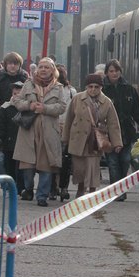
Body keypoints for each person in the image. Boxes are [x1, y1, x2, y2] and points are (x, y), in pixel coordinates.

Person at [12, 57, 66, 207]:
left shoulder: (58, 87)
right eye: (41, 67)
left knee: (46, 165)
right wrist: (29, 105)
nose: (43, 69)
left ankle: (42, 196)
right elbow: (16, 101)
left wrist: (46, 109)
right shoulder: (28, 84)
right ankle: (28, 189)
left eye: (46, 67)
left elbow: (62, 107)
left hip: (48, 131)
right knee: (28, 165)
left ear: (52, 70)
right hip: (29, 130)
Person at [62, 73, 122, 199]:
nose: (93, 90)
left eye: (96, 87)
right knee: (79, 168)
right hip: (77, 139)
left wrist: (117, 143)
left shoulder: (107, 102)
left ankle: (92, 192)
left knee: (93, 167)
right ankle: (80, 188)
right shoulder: (77, 99)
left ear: (101, 88)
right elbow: (69, 120)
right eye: (90, 86)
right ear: (86, 87)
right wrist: (65, 138)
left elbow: (113, 124)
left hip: (95, 140)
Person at [102, 59, 139, 202]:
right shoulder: (102, 90)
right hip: (109, 133)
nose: (114, 73)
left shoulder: (129, 89)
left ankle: (121, 188)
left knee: (124, 161)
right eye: (111, 71)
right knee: (112, 162)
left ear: (120, 72)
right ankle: (115, 191)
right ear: (107, 73)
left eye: (117, 71)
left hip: (127, 132)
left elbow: (138, 113)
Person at [0, 81, 25, 194]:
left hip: (23, 144)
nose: (16, 96)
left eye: (19, 94)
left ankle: (21, 188)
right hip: (9, 143)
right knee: (9, 166)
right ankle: (11, 188)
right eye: (14, 93)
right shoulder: (5, 107)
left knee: (22, 169)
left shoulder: (27, 107)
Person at [51, 65, 77, 202]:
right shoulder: (72, 91)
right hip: (65, 128)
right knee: (64, 161)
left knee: (56, 161)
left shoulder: (71, 92)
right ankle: (62, 188)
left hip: (60, 128)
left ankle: (54, 188)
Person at [0, 52, 28, 130]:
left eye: (15, 63)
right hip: (2, 116)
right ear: (5, 65)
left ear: (19, 65)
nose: (13, 66)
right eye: (10, 63)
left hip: (20, 117)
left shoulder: (25, 80)